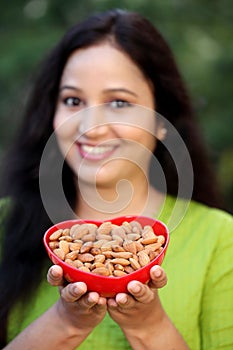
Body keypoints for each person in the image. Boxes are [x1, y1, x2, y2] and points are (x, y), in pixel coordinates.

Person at [0, 8, 232, 350]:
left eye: (119, 103)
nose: (90, 126)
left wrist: (149, 326)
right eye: (73, 100)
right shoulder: (5, 223)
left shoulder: (220, 239)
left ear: (161, 119)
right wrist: (66, 322)